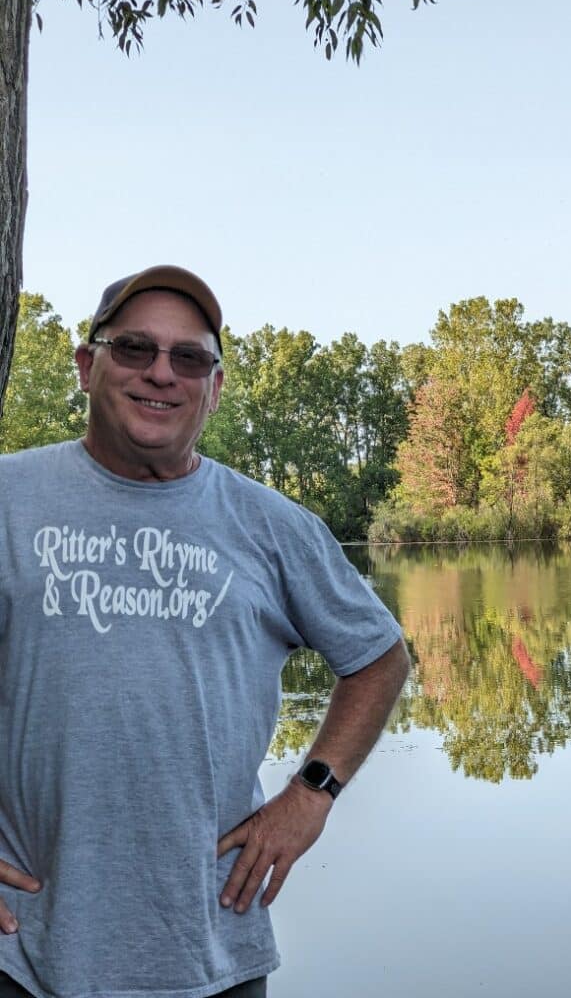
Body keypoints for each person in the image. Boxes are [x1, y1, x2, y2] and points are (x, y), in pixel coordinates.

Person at [0, 266, 410, 998]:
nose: (161, 373)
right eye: (134, 349)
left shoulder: (272, 527)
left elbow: (378, 658)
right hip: (21, 953)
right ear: (87, 366)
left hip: (210, 951)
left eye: (189, 358)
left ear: (214, 388)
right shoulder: (8, 499)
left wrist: (312, 792)